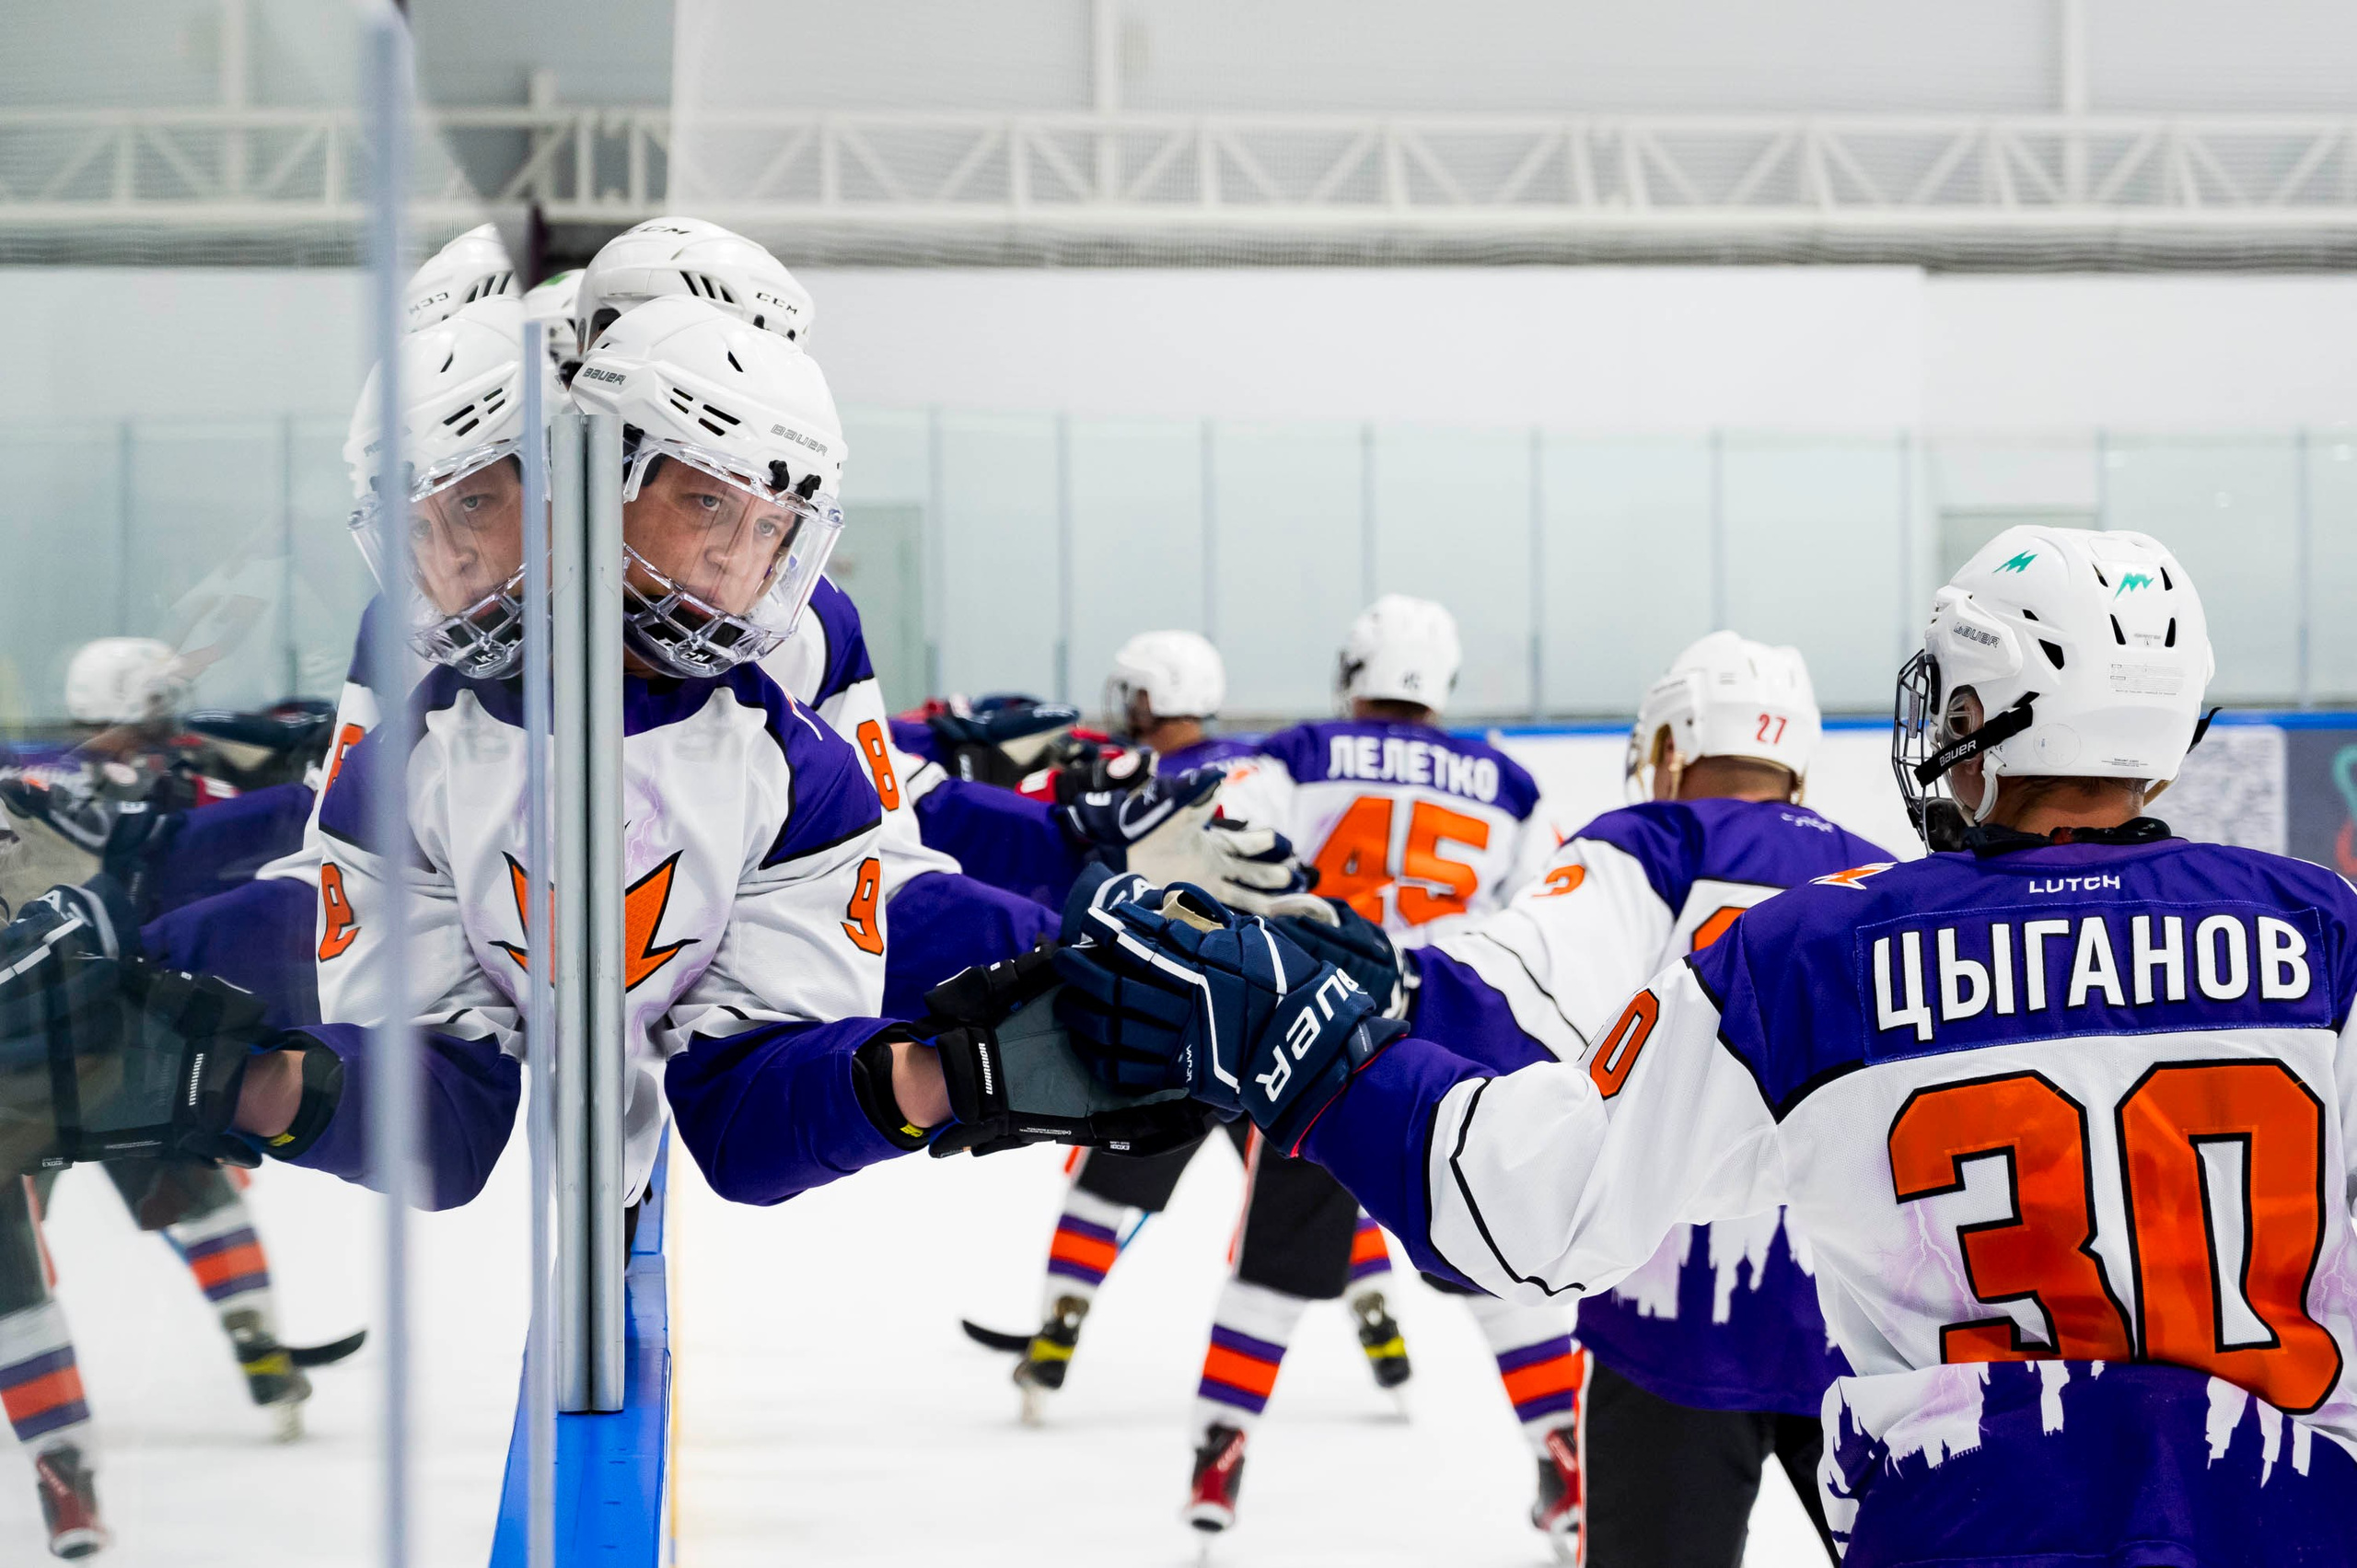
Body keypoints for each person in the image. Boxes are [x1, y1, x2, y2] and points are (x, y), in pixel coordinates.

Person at [1059, 526, 2357, 1566]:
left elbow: (1521, 1200)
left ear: (1991, 706)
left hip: (1940, 1495)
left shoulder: (1814, 950)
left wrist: (1320, 1052)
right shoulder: (2328, 931)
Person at [1384, 630, 1886, 1565]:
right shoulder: (1886, 875)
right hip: (1867, 1322)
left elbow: (1497, 1001)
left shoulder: (1652, 841)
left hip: (1672, 1316)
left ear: (1674, 741)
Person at [1105, 598, 1566, 1545]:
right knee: (1490, 1261)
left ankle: (1219, 1453)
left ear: (1355, 669)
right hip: (1456, 1034)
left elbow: (1209, 838)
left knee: (1274, 1258)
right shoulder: (1509, 782)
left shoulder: (1303, 750)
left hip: (1322, 1028)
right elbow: (1549, 925)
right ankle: (1563, 1455)